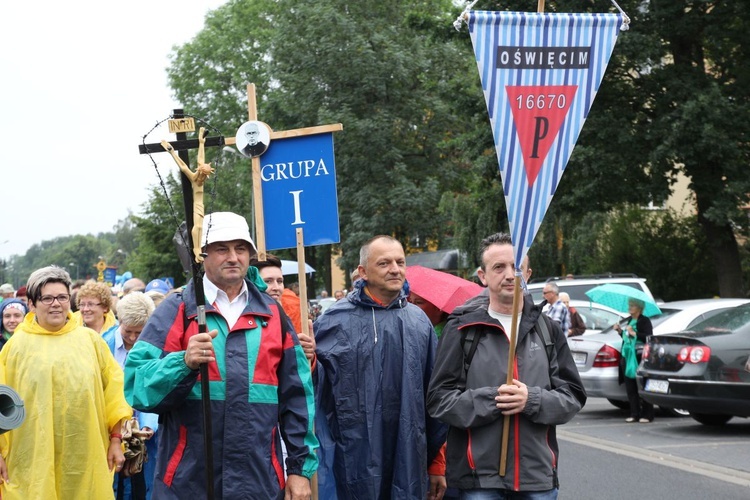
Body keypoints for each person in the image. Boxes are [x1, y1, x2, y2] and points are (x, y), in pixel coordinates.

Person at [124, 211, 318, 499]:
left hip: (259, 483)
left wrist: (300, 471)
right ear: (202, 255)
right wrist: (183, 363)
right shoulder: (177, 309)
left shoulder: (273, 314)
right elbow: (136, 385)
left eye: (240, 249)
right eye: (221, 249)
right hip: (186, 485)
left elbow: (298, 399)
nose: (233, 257)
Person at [427, 233, 586, 499]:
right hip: (478, 482)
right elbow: (439, 400)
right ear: (483, 275)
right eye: (499, 267)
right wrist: (493, 399)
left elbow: (572, 396)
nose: (510, 275)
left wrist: (531, 400)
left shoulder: (548, 330)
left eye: (517, 267)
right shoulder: (462, 329)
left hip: (537, 480)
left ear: (529, 273)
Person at [313, 235, 448, 499]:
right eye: (384, 263)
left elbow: (435, 396)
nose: (395, 269)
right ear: (363, 271)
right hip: (351, 458)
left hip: (408, 455)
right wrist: (308, 361)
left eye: (400, 261)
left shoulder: (418, 322)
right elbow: (315, 395)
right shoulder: (333, 321)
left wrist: (437, 462)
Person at [0, 266, 131, 499]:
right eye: (47, 298)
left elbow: (114, 393)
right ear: (31, 304)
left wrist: (116, 439)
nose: (56, 304)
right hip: (30, 458)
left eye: (61, 297)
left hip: (85, 456)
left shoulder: (90, 341)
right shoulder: (15, 348)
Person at [103, 292, 159, 500]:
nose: (134, 338)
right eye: (128, 332)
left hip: (144, 429)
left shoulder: (155, 345)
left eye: (140, 332)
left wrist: (149, 424)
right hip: (112, 426)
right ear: (120, 321)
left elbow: (155, 385)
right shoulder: (102, 344)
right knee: (111, 481)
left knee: (147, 482)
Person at [614, 298, 654, 423]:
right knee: (630, 387)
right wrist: (620, 331)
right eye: (629, 305)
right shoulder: (629, 321)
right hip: (627, 356)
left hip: (639, 357)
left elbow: (649, 336)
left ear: (639, 308)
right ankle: (634, 413)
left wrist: (635, 333)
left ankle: (647, 414)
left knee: (642, 385)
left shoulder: (645, 320)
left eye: (632, 306)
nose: (630, 308)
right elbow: (627, 338)